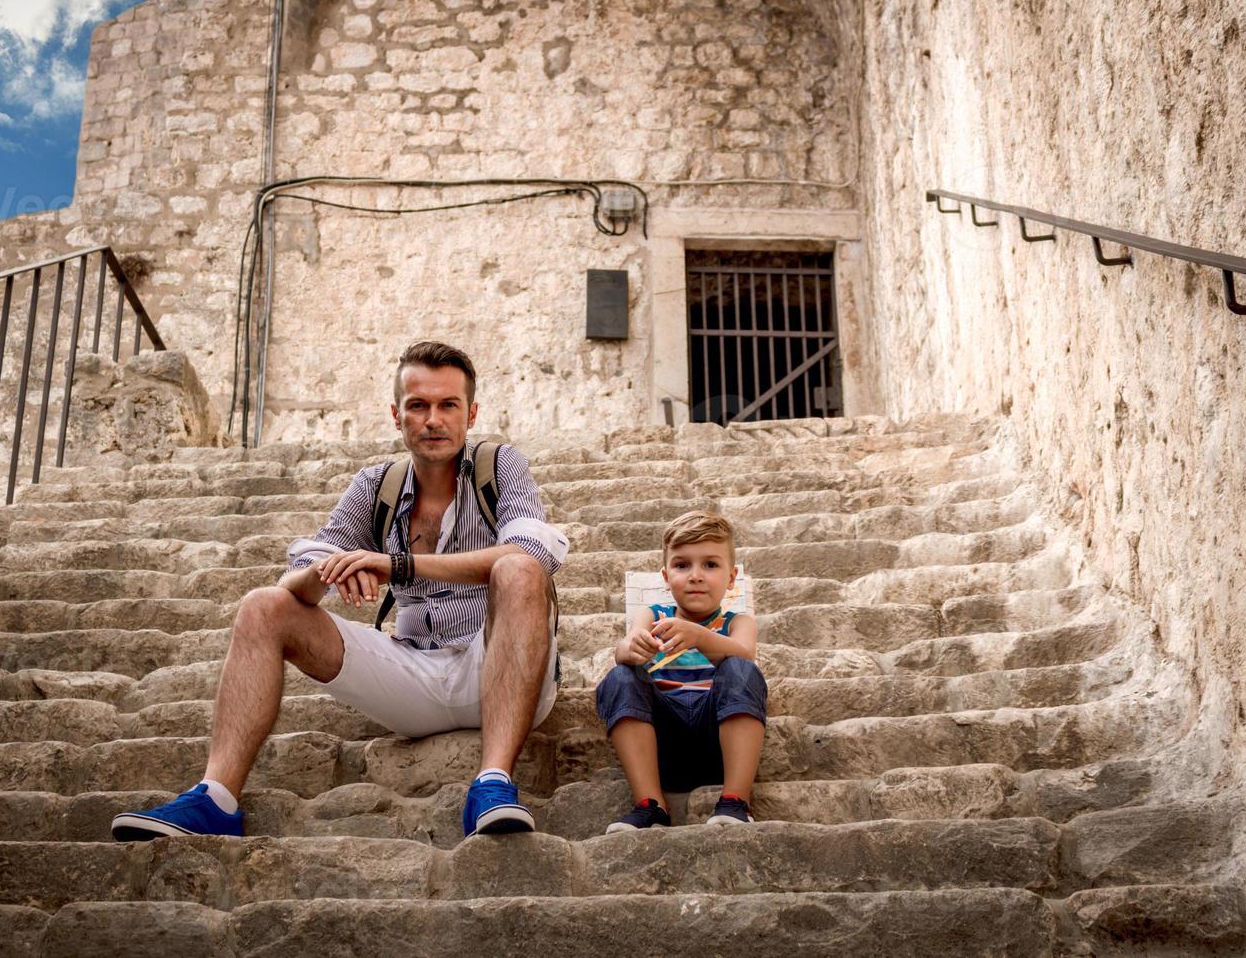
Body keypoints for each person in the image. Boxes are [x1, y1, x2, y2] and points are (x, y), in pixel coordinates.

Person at [111, 341, 569, 841]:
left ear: (471, 413)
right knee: (263, 606)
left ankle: (494, 781)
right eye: (418, 406)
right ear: (397, 415)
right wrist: (329, 571)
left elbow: (532, 552)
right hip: (414, 671)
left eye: (447, 405)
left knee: (519, 571)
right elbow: (303, 568)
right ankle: (215, 800)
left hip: (500, 667)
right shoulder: (376, 484)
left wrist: (397, 565)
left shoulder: (500, 466)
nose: (433, 419)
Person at [593, 510, 767, 832]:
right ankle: (651, 804)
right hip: (661, 744)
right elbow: (625, 648)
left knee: (740, 669)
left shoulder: (738, 622)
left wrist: (701, 637)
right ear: (665, 575)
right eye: (682, 565)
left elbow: (745, 655)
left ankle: (736, 800)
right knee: (620, 676)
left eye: (710, 565)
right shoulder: (653, 614)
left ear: (731, 578)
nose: (695, 575)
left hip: (717, 739)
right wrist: (630, 650)